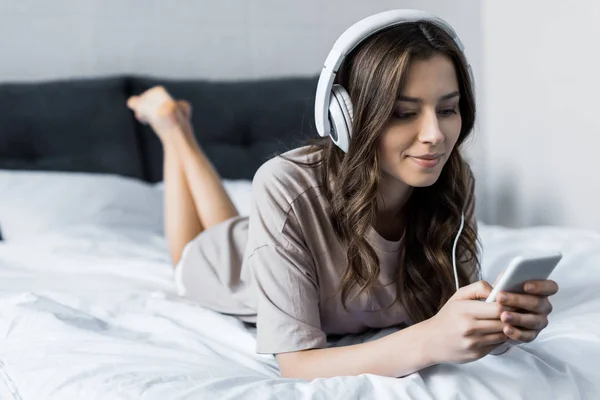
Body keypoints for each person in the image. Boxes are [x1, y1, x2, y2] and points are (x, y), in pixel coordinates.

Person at [126, 10, 558, 380]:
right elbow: (297, 365)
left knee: (234, 225)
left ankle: (178, 130)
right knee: (197, 250)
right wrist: (429, 341)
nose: (435, 136)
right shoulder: (284, 184)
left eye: (447, 109)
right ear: (347, 117)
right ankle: (173, 131)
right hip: (224, 263)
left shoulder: (449, 180)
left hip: (263, 236)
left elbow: (454, 311)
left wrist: (500, 323)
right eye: (404, 113)